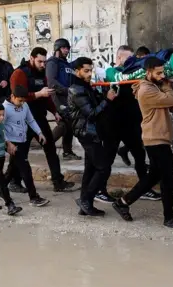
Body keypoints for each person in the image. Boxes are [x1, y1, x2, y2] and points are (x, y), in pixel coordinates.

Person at [112, 57, 173, 230]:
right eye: (158, 73)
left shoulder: (155, 86)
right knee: (168, 178)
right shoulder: (146, 90)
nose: (162, 76)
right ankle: (169, 216)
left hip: (159, 137)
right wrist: (168, 87)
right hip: (155, 138)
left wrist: (165, 89)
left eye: (163, 72)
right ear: (148, 72)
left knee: (153, 177)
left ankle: (123, 202)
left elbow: (171, 105)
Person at [98, 45, 160, 204]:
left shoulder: (134, 73)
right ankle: (100, 190)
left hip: (130, 124)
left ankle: (145, 188)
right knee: (107, 159)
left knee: (140, 156)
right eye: (128, 59)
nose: (132, 62)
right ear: (119, 58)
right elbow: (114, 81)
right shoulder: (112, 73)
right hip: (113, 124)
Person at [8, 47, 75, 192]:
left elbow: (47, 96)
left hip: (39, 118)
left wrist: (55, 111)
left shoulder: (41, 74)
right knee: (20, 153)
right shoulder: (19, 73)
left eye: (44, 62)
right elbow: (18, 97)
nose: (43, 65)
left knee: (50, 148)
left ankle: (58, 181)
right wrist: (38, 94)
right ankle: (13, 182)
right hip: (23, 120)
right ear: (31, 58)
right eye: (40, 61)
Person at [67, 57, 116, 216]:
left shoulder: (85, 86)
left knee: (90, 169)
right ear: (77, 71)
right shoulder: (77, 89)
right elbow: (92, 114)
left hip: (92, 132)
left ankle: (85, 205)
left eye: (90, 70)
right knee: (103, 168)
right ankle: (86, 200)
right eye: (86, 71)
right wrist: (107, 100)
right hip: (87, 133)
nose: (89, 74)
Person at [3, 85, 50, 207]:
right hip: (12, 143)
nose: (22, 103)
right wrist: (8, 143)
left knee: (13, 167)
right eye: (20, 100)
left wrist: (39, 133)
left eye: (24, 101)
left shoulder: (24, 105)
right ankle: (33, 197)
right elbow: (0, 128)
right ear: (12, 96)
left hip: (22, 140)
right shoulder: (4, 108)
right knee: (26, 169)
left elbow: (31, 120)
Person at [46, 38, 81, 161]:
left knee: (70, 124)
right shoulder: (52, 63)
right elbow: (51, 81)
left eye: (68, 48)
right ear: (57, 49)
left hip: (68, 97)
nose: (66, 50)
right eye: (64, 48)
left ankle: (67, 152)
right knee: (63, 124)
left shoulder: (66, 64)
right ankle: (47, 144)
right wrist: (67, 90)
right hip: (57, 97)